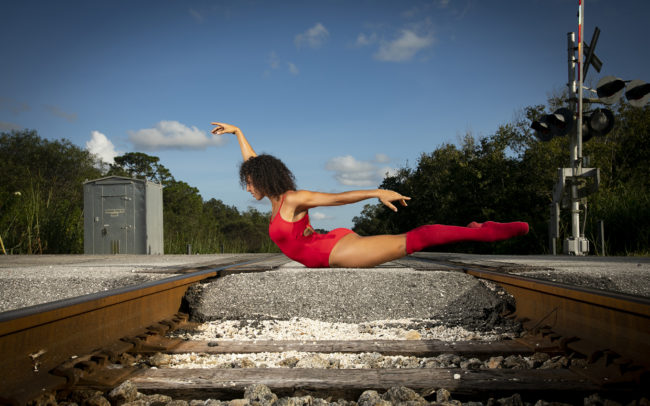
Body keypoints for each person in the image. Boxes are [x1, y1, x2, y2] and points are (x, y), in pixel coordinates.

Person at [211, 122, 529, 268]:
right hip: (325, 244)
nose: (248, 187)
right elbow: (252, 162)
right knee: (412, 240)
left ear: (265, 181)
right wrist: (238, 132)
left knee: (414, 240)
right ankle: (473, 229)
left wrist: (377, 192)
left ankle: (483, 232)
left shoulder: (293, 199)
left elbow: (338, 198)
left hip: (335, 252)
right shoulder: (275, 199)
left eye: (250, 182)